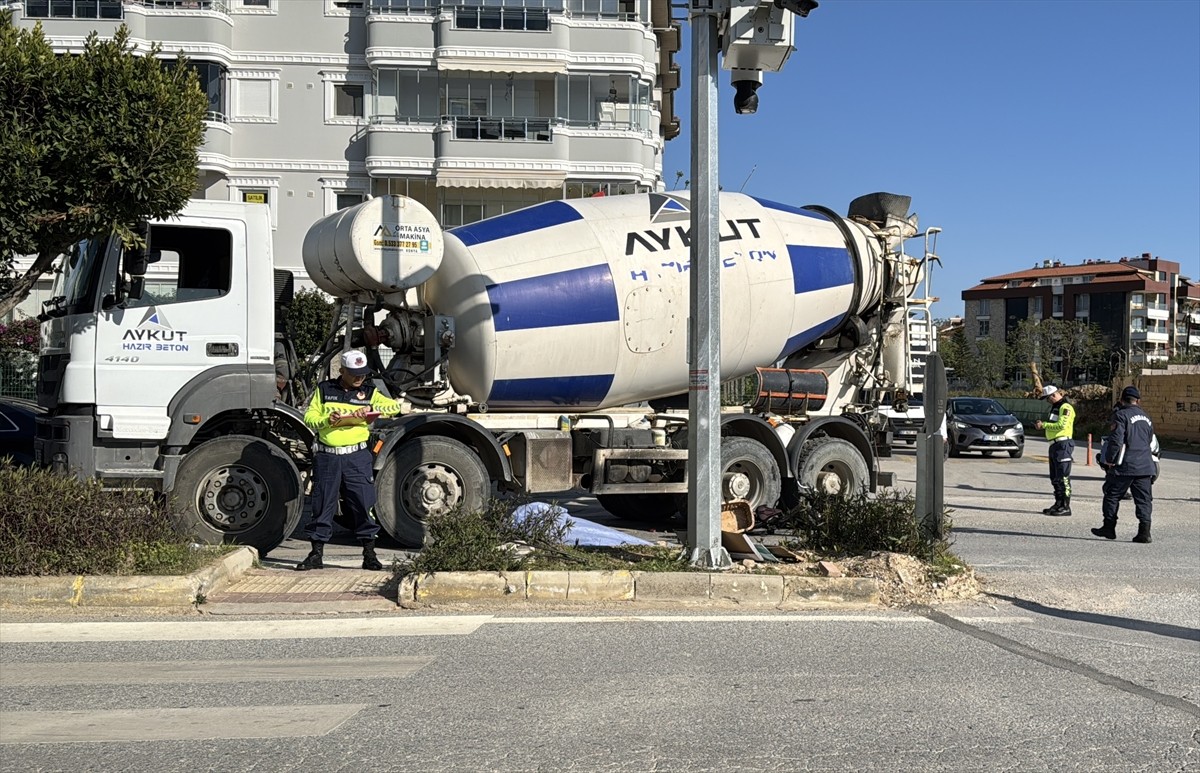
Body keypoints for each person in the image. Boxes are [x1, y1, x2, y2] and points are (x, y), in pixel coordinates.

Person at [296, 350, 411, 571]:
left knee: (362, 504)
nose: (360, 378)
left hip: (357, 457)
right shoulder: (324, 390)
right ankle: (316, 554)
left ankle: (369, 555)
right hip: (328, 456)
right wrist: (327, 420)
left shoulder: (369, 391)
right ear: (342, 371)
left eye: (363, 374)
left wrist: (371, 409)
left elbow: (393, 407)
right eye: (355, 374)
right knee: (322, 505)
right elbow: (309, 417)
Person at [1092, 385, 1156, 544]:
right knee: (1143, 500)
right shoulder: (1146, 417)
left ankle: (1109, 527)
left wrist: (1109, 460)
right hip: (1145, 466)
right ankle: (1144, 532)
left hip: (1125, 466)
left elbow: (1116, 441)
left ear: (1121, 399)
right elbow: (1149, 440)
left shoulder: (1120, 415)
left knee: (1112, 495)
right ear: (1138, 401)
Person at [1034, 384, 1075, 516]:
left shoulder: (1065, 407)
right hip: (1054, 445)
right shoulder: (1055, 408)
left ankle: (1065, 506)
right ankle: (1058, 503)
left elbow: (1061, 425)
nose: (1048, 401)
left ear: (1054, 395)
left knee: (1063, 477)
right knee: (1055, 477)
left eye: (1048, 398)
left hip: (1063, 443)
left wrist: (1044, 425)